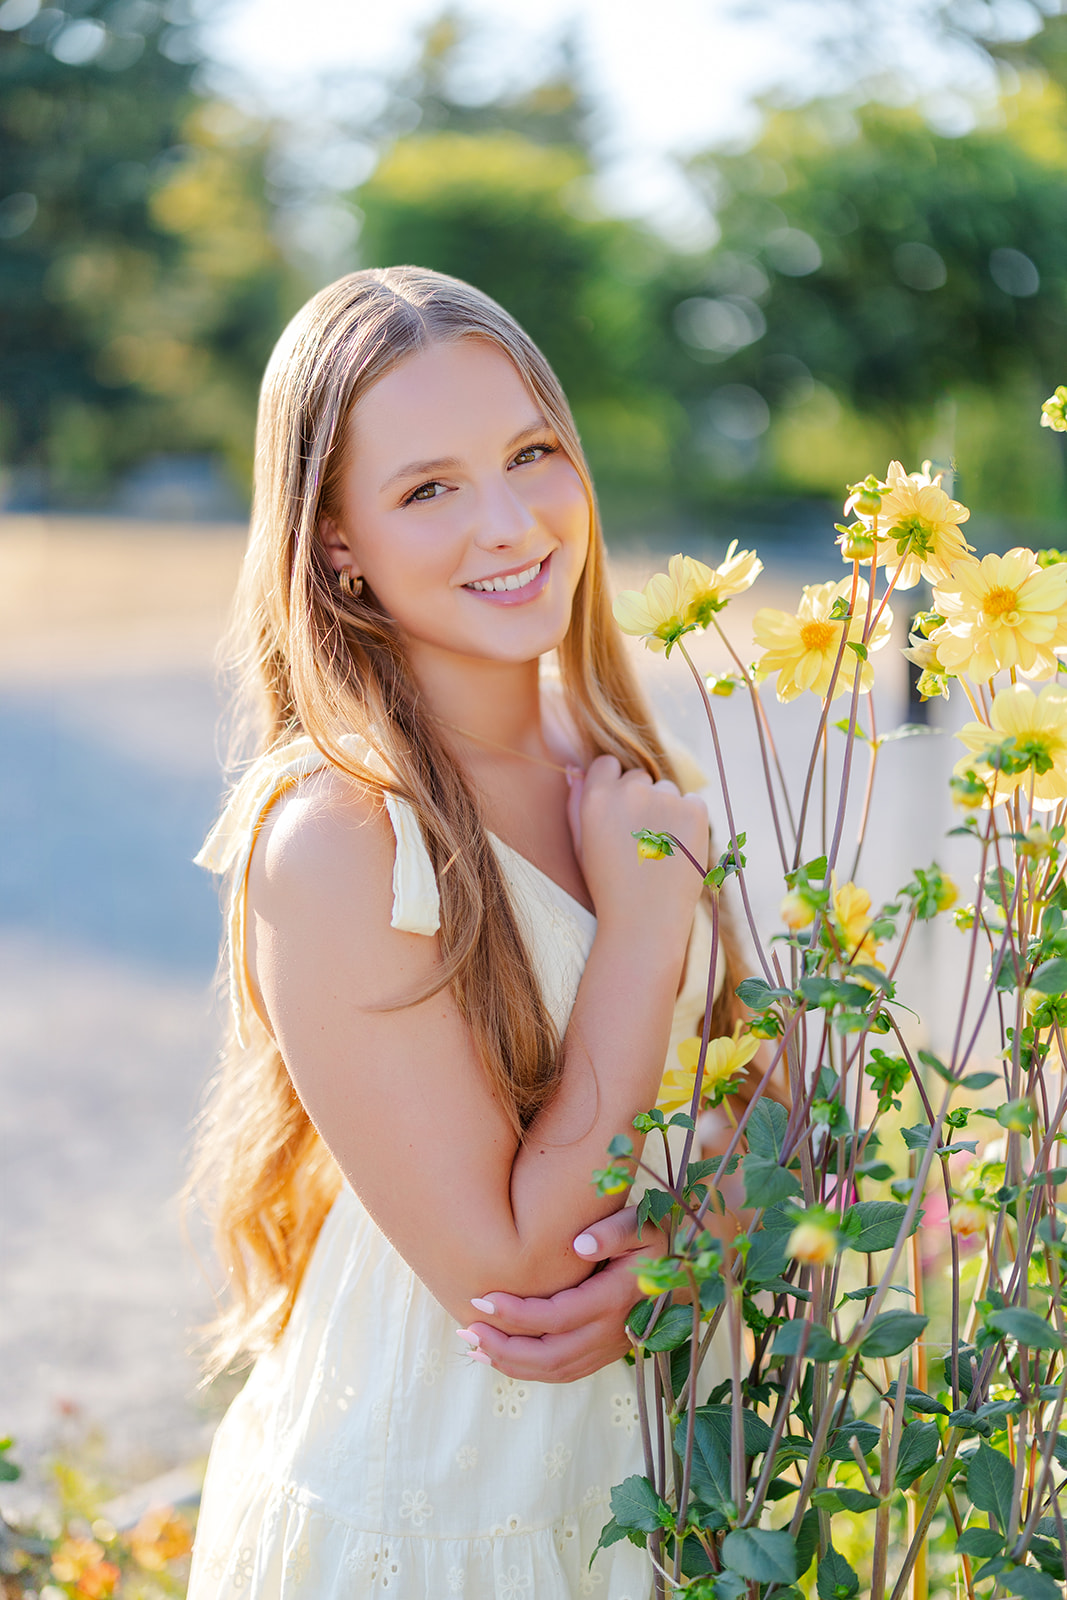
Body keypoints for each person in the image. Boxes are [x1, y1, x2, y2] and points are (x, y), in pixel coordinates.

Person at [184, 265, 745, 1600]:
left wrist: (694, 1242)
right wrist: (646, 925)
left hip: (662, 1486)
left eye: (532, 454)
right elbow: (521, 1280)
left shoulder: (611, 757)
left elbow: (762, 1095)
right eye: (428, 488)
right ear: (336, 543)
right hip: (435, 1524)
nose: (509, 522)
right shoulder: (338, 840)